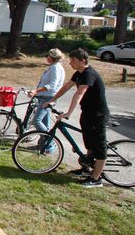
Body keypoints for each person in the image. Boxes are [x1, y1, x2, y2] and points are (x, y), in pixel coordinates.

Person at [43, 48, 109, 188]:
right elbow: (66, 87)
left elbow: (79, 93)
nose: (70, 63)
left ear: (82, 61)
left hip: (98, 115)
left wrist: (68, 113)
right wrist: (52, 100)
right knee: (89, 144)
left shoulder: (89, 74)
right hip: (87, 113)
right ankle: (87, 169)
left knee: (99, 147)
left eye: (73, 60)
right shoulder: (79, 73)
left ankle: (96, 179)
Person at [27, 48, 65, 137]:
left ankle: (50, 141)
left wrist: (36, 91)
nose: (46, 57)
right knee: (45, 123)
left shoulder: (55, 68)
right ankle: (44, 143)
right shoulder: (53, 67)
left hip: (48, 98)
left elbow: (52, 85)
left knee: (36, 121)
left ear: (52, 57)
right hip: (44, 96)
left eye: (48, 55)